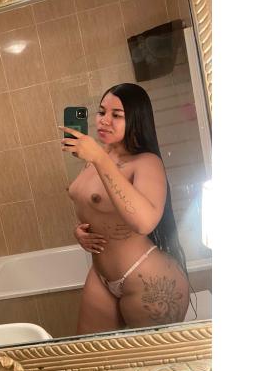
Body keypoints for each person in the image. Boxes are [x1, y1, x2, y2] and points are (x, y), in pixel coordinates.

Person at [60, 83, 191, 334]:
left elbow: (144, 222)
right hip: (102, 275)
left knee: (150, 358)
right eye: (101, 112)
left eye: (116, 115)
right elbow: (95, 204)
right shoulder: (100, 156)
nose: (104, 120)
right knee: (91, 353)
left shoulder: (146, 162)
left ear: (135, 120)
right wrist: (80, 232)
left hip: (146, 277)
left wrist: (98, 158)